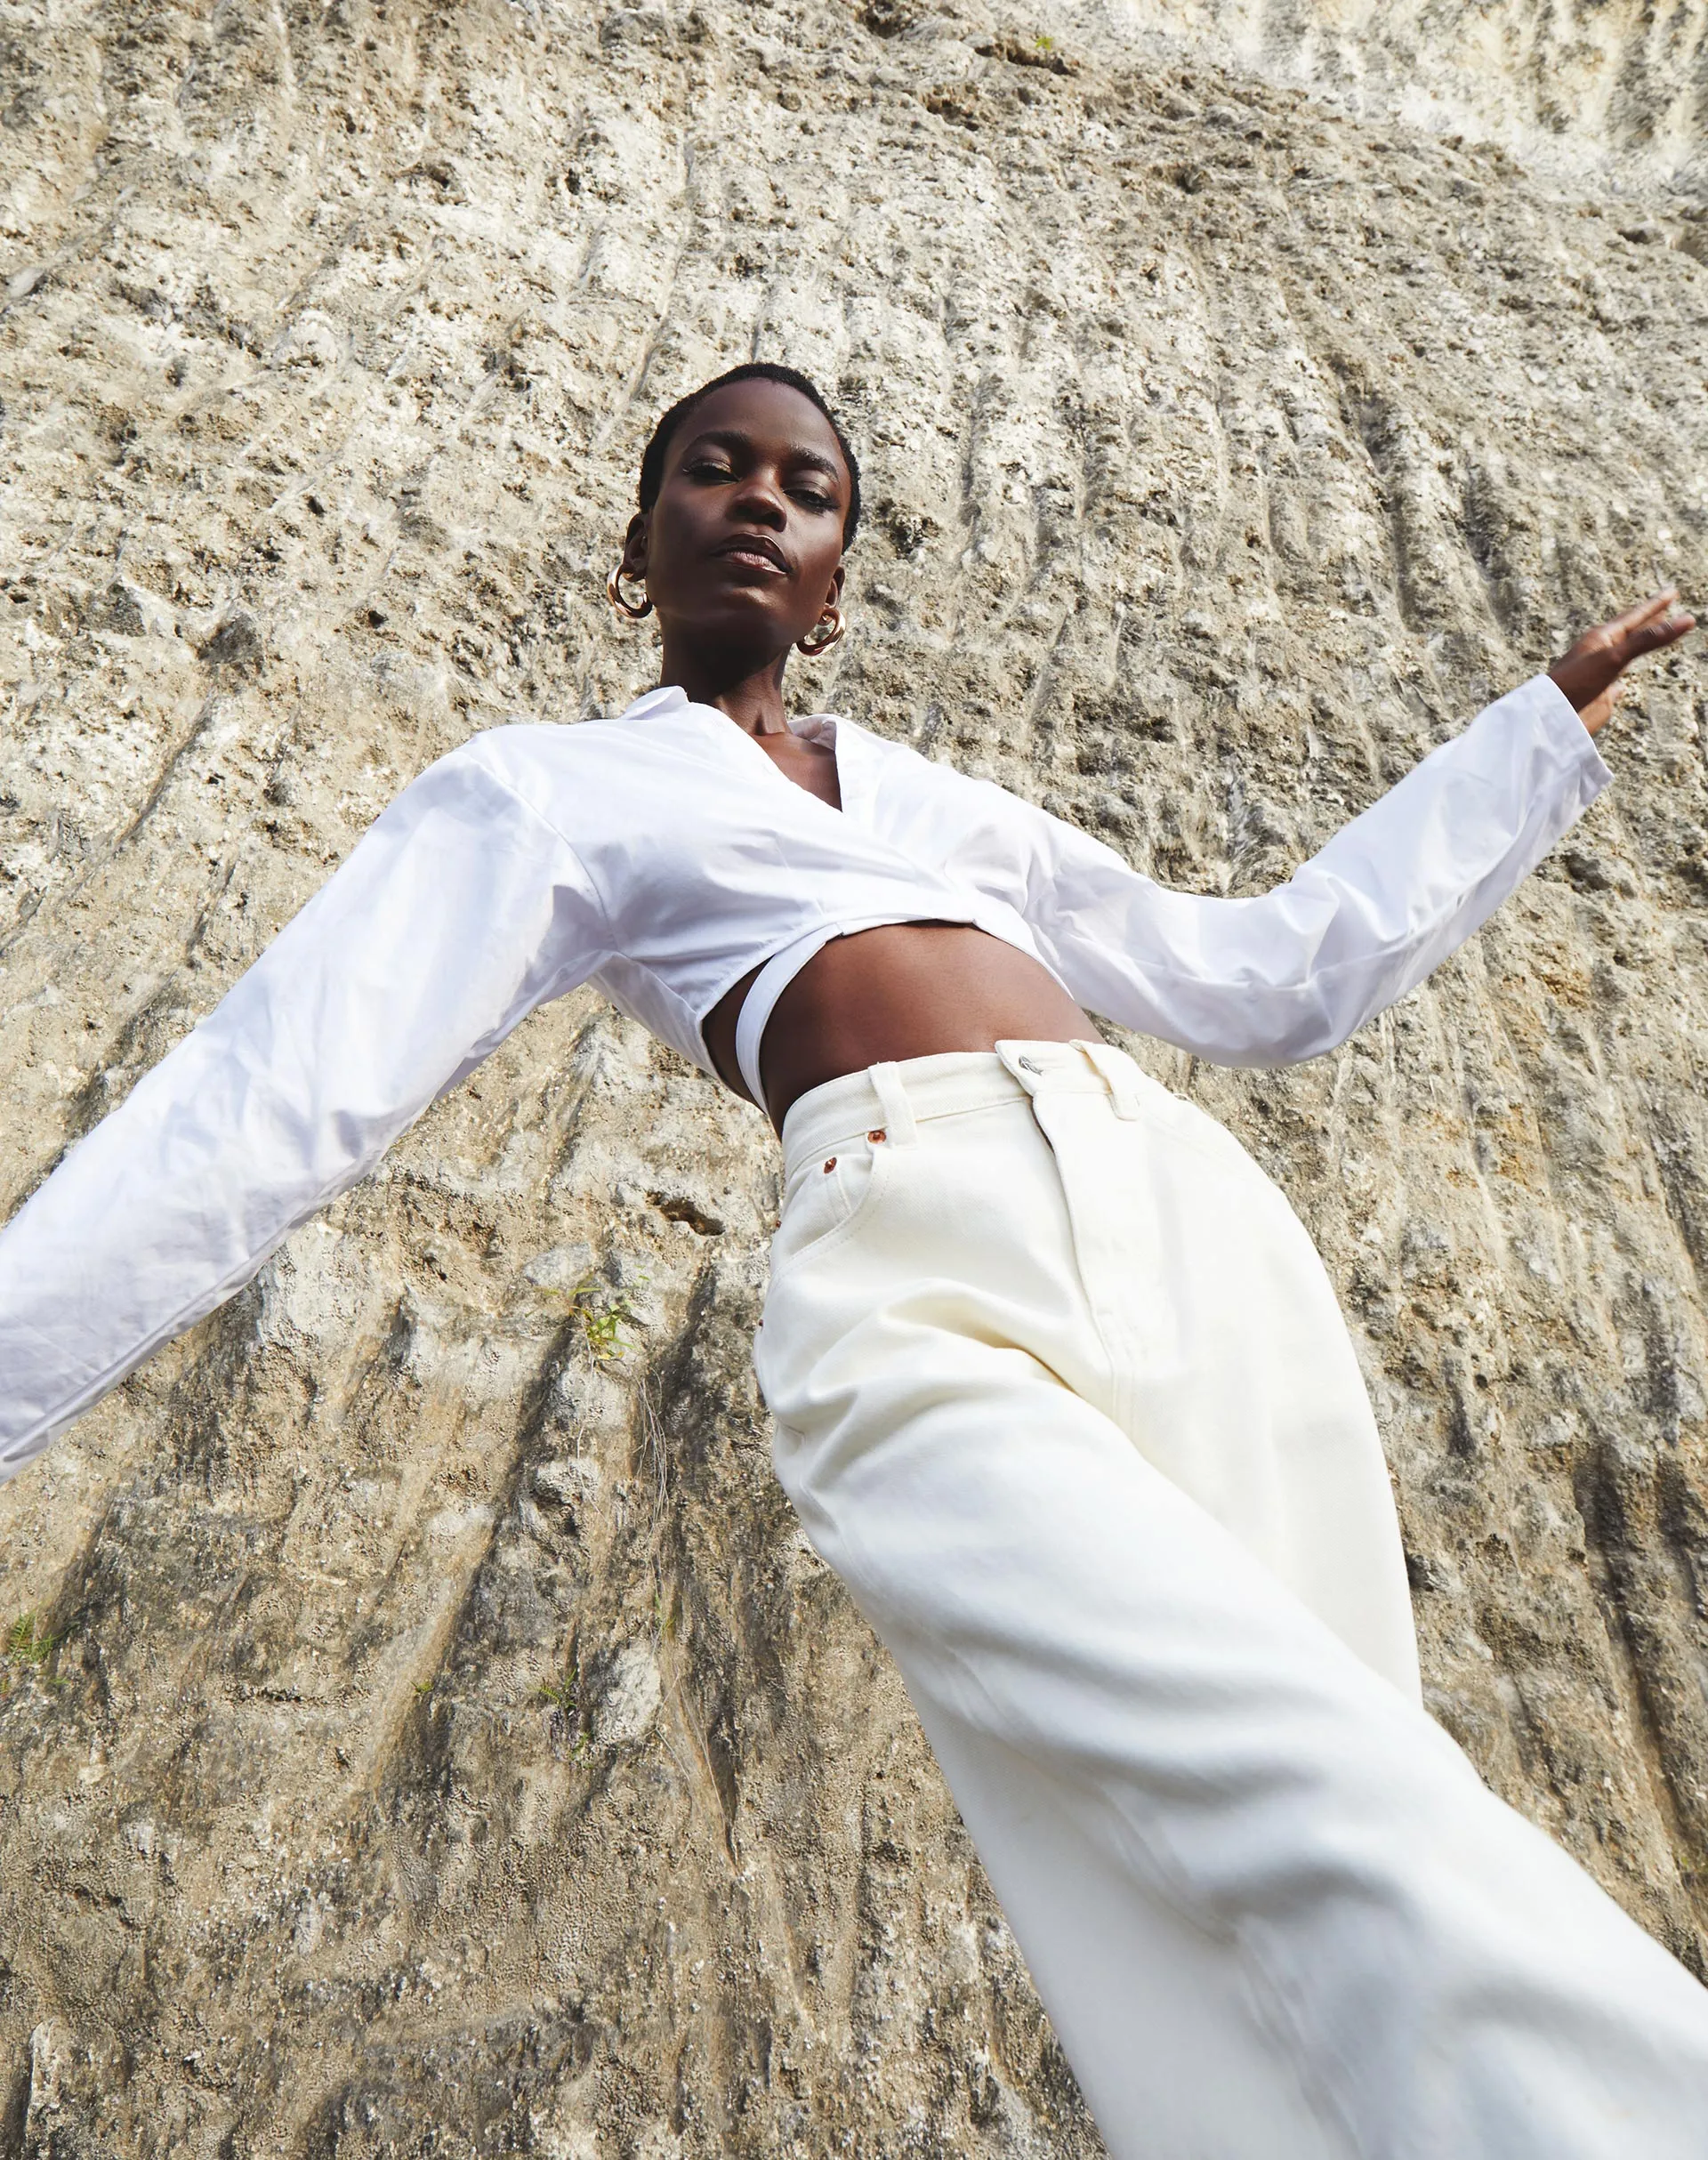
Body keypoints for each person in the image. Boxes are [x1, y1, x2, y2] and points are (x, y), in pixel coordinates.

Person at [1, 359, 1704, 2155]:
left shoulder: (944, 807)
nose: (758, 501)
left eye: (803, 490)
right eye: (713, 471)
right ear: (637, 544)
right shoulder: (545, 791)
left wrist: (1536, 730)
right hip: (918, 1260)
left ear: (834, 579)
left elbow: (1265, 977)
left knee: (1354, 1818)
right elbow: (277, 1093)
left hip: (1200, 1234)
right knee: (1310, 1797)